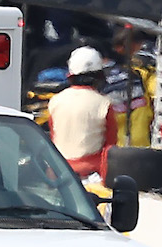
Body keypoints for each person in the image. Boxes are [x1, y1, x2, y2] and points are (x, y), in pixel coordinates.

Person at [45, 46, 117, 179]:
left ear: (70, 75)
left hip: (58, 171)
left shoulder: (55, 101)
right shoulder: (104, 104)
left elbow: (53, 136)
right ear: (100, 75)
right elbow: (110, 147)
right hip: (92, 174)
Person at [103, 30, 156, 147]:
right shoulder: (143, 69)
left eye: (118, 47)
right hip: (142, 141)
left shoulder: (137, 70)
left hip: (119, 145)